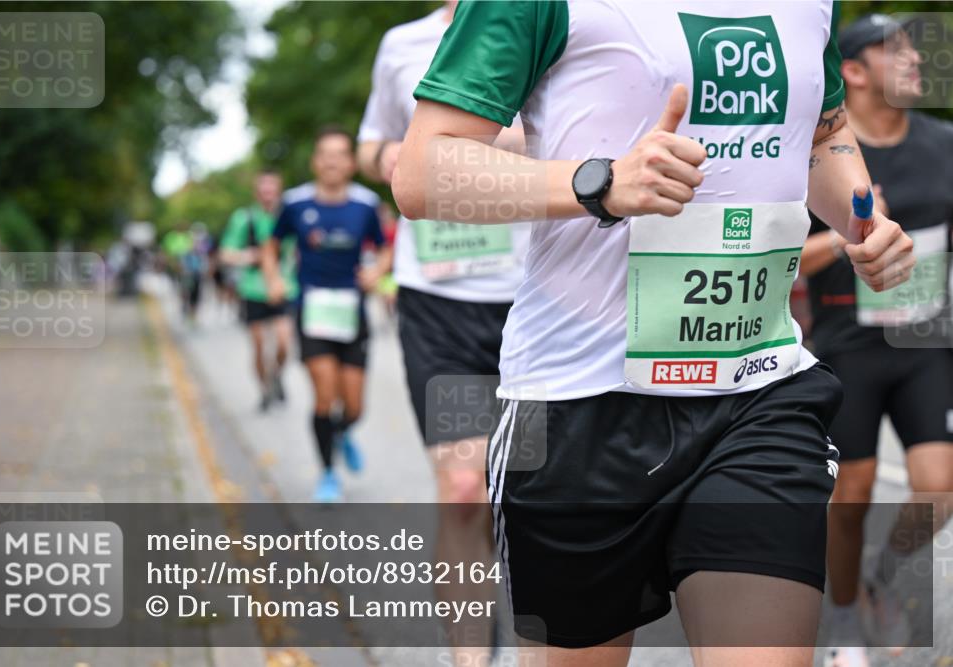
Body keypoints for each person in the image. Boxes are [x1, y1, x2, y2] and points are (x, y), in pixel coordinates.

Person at [392, 1, 917, 665]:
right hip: (580, 400)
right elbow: (421, 174)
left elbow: (821, 135)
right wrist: (600, 183)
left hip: (758, 388)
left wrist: (861, 220)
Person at [357, 6, 528, 657]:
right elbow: (372, 140)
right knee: (463, 488)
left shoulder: (545, 24)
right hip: (440, 297)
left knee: (522, 487)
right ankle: (470, 653)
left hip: (533, 297)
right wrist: (397, 154)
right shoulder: (404, 43)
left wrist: (457, 150)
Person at [798, 14, 953, 667]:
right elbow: (782, 256)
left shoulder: (943, 142)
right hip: (847, 343)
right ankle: (840, 610)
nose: (916, 60)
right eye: (896, 52)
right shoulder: (823, 155)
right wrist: (848, 236)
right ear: (853, 71)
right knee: (852, 490)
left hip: (926, 342)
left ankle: (884, 575)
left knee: (940, 485)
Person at [263, 126, 392, 502]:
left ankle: (341, 431)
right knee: (324, 396)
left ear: (351, 163)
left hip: (352, 314)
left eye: (340, 154)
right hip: (313, 312)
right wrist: (273, 278)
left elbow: (385, 248)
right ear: (315, 162)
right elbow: (271, 247)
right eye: (325, 154)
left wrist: (377, 271)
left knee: (354, 406)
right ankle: (327, 475)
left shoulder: (365, 205)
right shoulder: (296, 203)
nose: (332, 160)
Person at [221, 170, 297, 411]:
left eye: (272, 190)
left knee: (284, 342)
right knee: (259, 345)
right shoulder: (245, 218)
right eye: (263, 190)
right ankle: (264, 389)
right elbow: (226, 253)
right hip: (253, 289)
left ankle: (277, 375)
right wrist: (250, 256)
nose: (268, 195)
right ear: (256, 193)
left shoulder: (287, 217)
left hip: (284, 287)